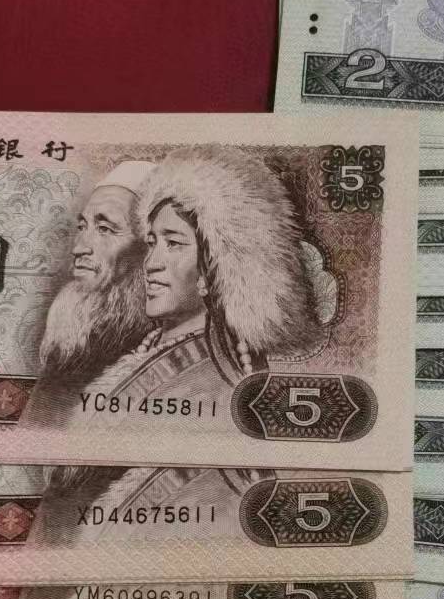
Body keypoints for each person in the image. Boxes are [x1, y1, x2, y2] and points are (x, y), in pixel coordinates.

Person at [79, 145, 323, 414]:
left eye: (173, 243)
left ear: (215, 266)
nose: (151, 263)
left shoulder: (209, 381)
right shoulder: (153, 346)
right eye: (152, 243)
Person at [26, 160, 156, 426]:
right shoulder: (68, 353)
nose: (79, 248)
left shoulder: (162, 355)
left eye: (105, 229)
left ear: (149, 248)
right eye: (82, 227)